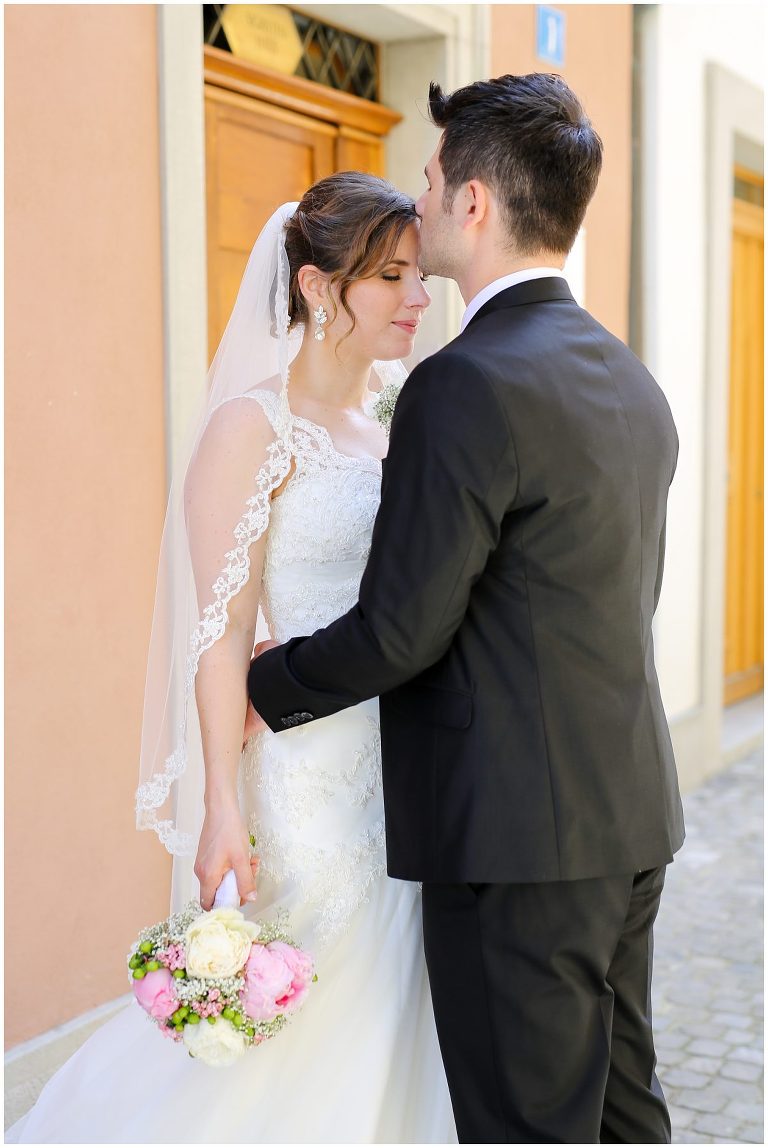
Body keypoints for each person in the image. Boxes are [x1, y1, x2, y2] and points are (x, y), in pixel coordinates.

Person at [246, 74, 685, 1144]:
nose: (424, 196)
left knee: (524, 1124)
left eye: (435, 178)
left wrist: (268, 681)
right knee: (625, 1111)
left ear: (476, 203)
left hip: (514, 845)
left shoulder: (464, 382)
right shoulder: (629, 378)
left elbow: (405, 627)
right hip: (626, 814)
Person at [7, 174, 457, 1143]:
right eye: (391, 277)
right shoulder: (250, 427)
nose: (419, 297)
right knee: (292, 1004)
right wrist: (220, 799)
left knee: (385, 1003)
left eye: (418, 273)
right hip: (298, 780)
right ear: (315, 286)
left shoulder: (389, 419)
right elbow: (219, 631)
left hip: (390, 763)